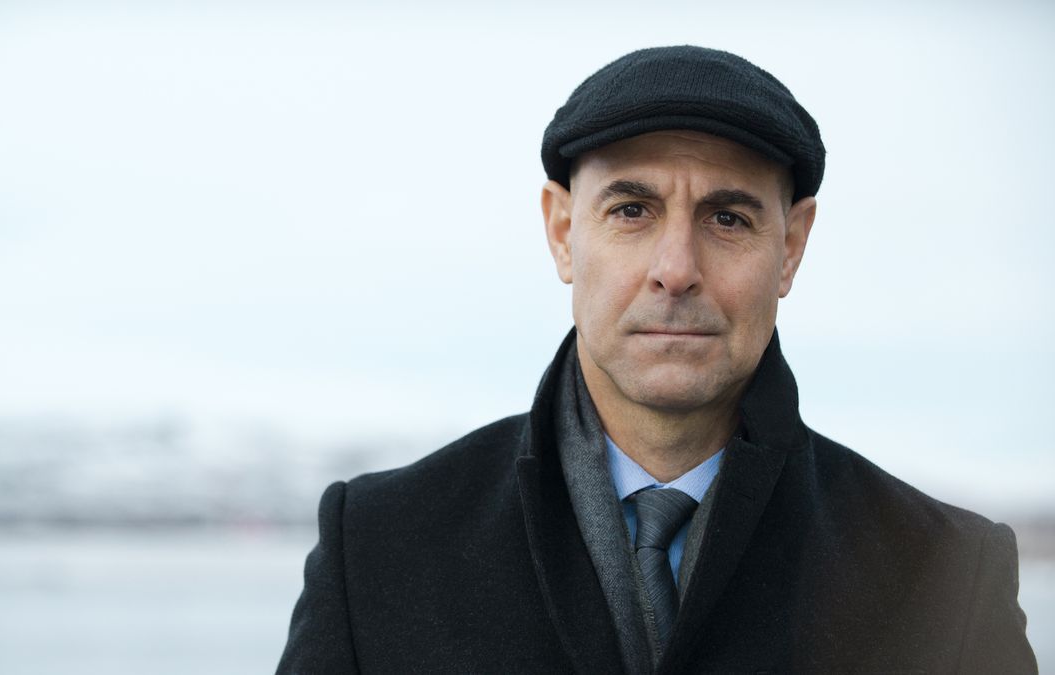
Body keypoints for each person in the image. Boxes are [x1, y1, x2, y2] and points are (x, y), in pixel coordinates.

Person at [277, 46, 1037, 673]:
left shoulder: (945, 577)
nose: (676, 269)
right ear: (563, 231)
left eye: (727, 217)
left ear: (791, 247)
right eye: (632, 210)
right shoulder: (377, 548)